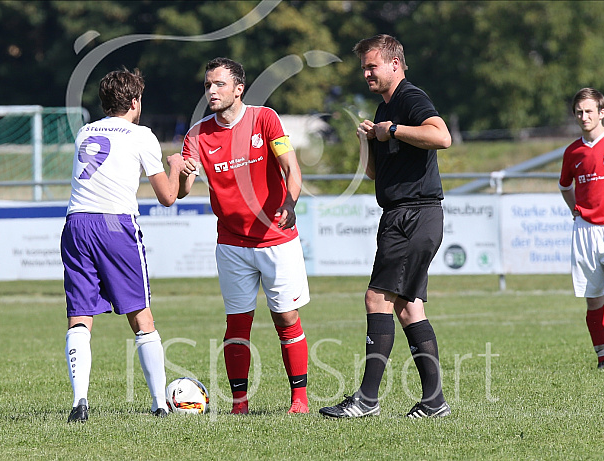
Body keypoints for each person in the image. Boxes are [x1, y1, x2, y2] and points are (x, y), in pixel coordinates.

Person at [319, 34, 452, 419]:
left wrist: (392, 129)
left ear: (395, 64)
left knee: (377, 299)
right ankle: (434, 402)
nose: (366, 73)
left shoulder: (410, 97)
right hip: (401, 214)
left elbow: (441, 136)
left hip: (414, 214)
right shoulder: (383, 109)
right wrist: (369, 141)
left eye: (371, 66)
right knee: (409, 309)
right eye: (363, 67)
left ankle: (367, 400)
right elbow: (376, 172)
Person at [177, 57, 310, 414]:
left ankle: (300, 400)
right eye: (207, 85)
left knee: (285, 317)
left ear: (239, 89)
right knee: (237, 322)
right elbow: (182, 191)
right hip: (232, 244)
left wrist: (291, 203)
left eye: (219, 84)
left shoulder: (264, 119)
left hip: (276, 240)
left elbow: (291, 168)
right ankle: (239, 404)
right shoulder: (197, 135)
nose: (211, 91)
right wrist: (180, 171)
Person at [61, 67, 185, 422]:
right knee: (140, 315)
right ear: (134, 101)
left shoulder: (85, 131)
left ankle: (79, 402)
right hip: (115, 223)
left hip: (76, 222)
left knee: (79, 318)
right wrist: (176, 165)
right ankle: (160, 403)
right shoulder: (142, 135)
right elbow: (167, 196)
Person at [559, 87, 604, 370]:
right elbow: (565, 186)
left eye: (589, 111)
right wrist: (576, 211)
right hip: (585, 232)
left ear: (602, 113)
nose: (584, 116)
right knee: (593, 301)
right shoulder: (573, 151)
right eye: (579, 112)